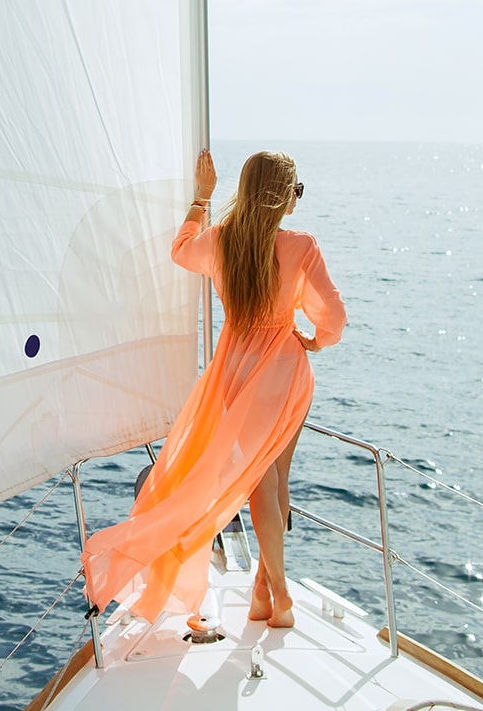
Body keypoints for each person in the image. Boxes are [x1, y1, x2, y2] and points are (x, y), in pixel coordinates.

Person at [81, 148, 347, 630]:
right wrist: (317, 340)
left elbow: (181, 250)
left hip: (237, 372)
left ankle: (268, 591)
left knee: (262, 482)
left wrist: (202, 197)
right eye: (296, 192)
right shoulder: (300, 245)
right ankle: (275, 592)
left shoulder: (221, 242)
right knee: (273, 481)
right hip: (286, 369)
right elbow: (334, 316)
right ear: (283, 198)